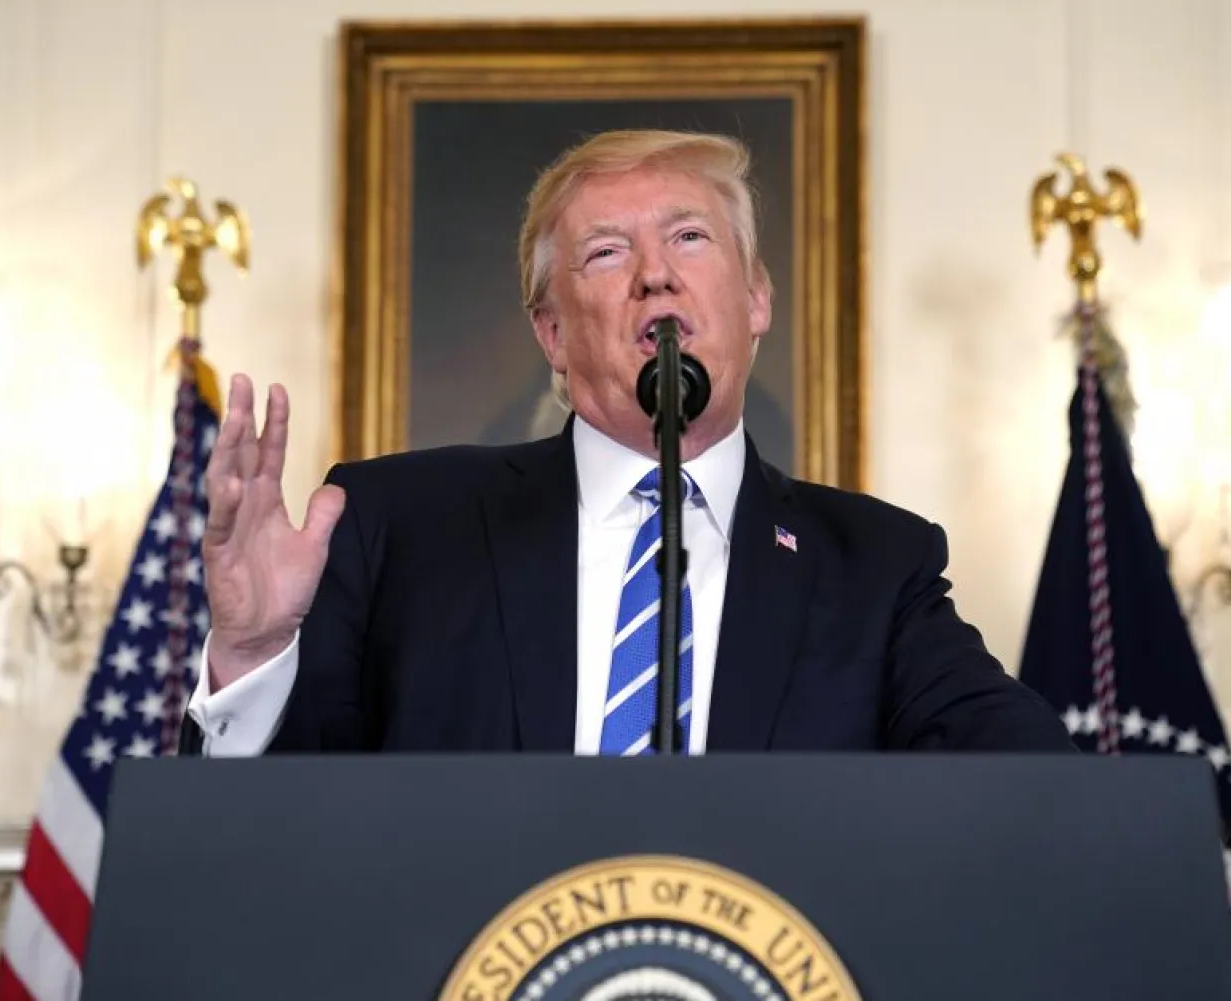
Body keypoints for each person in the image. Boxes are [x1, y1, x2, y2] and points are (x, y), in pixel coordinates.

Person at [179, 128, 1075, 756]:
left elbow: (1028, 783)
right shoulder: (398, 527)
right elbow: (287, 836)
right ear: (552, 335)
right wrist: (253, 657)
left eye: (689, 236)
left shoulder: (878, 568)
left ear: (755, 299)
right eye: (606, 253)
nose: (656, 274)